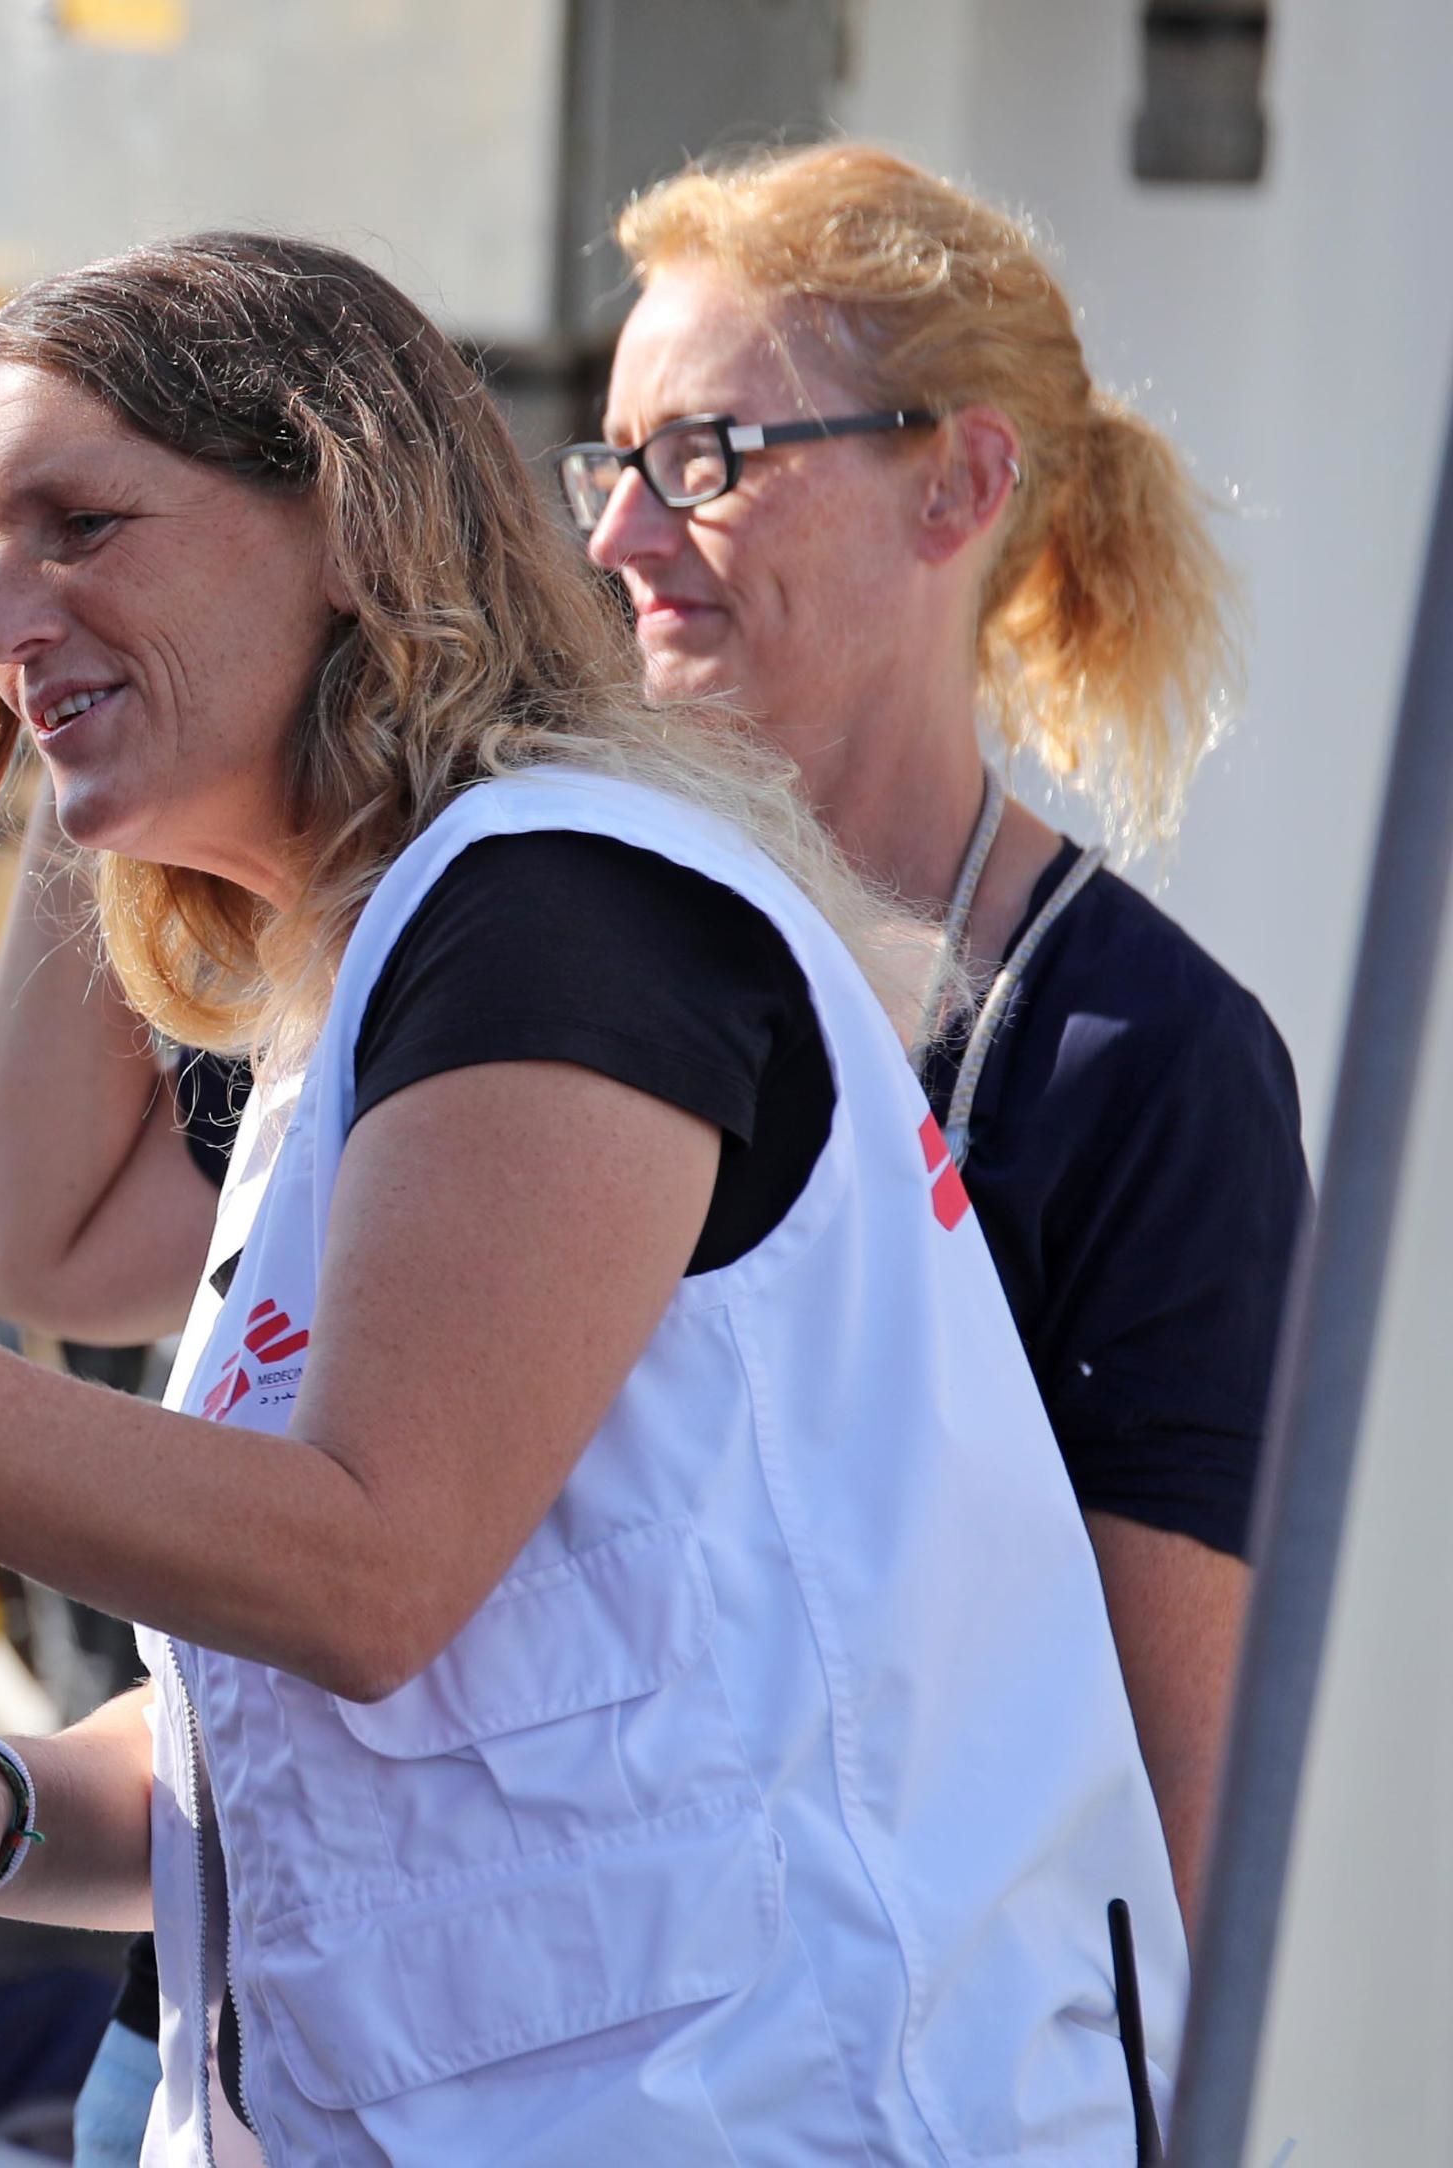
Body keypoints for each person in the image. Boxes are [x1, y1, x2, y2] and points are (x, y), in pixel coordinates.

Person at [0, 231, 1186, 2162]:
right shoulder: (370, 985)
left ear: (348, 516)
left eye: (81, 525)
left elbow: (363, 1572)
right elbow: (300, 1728)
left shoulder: (559, 906)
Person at [566, 143, 1306, 1926]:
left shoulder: (1144, 1061)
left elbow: (1171, 1824)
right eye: (614, 461)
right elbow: (61, 1243)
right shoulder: (552, 942)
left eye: (703, 457)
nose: (618, 535)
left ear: (957, 483)